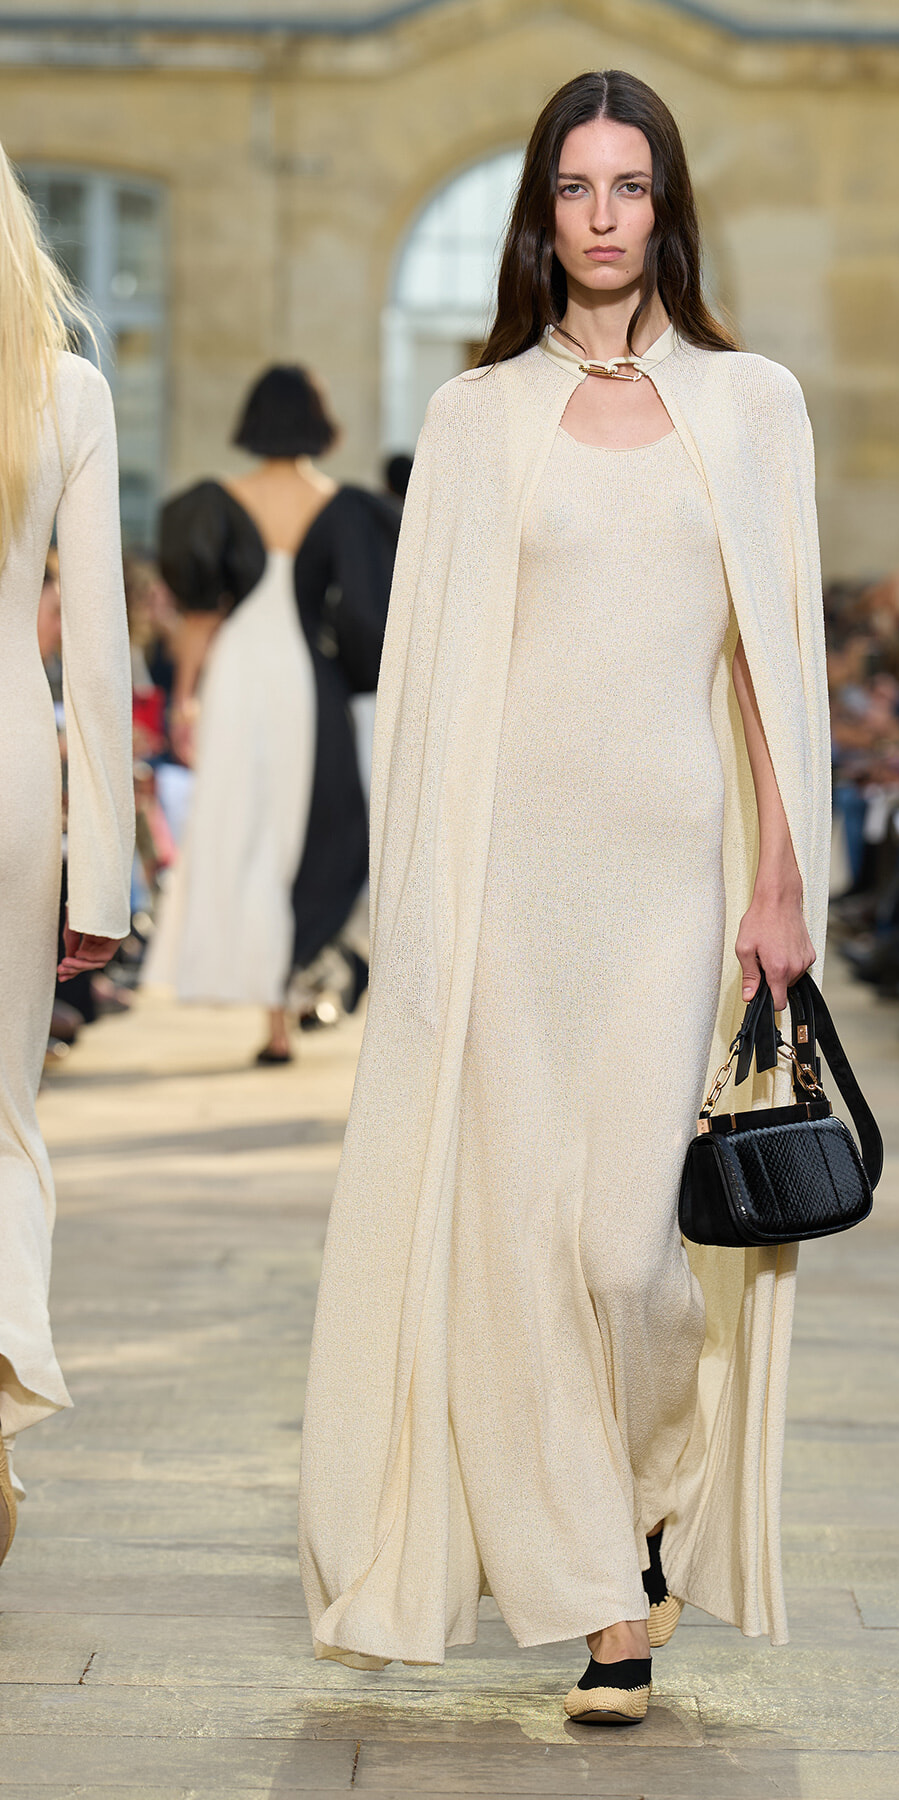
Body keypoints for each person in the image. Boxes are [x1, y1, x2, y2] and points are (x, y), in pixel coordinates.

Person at [299, 69, 830, 1724]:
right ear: (546, 214)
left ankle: (656, 1496)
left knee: (626, 1252)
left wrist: (780, 875)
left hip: (676, 864)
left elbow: (770, 664)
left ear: (668, 207)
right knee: (519, 1247)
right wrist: (419, 916)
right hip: (508, 877)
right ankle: (607, 1596)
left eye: (633, 185)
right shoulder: (473, 422)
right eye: (577, 188)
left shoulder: (753, 405)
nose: (604, 215)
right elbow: (435, 670)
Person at [0, 142, 133, 1565]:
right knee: (3, 1118)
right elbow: (94, 646)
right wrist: (105, 869)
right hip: (8, 763)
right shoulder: (63, 390)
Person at [145, 366, 399, 1063]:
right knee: (306, 829)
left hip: (238, 677)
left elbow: (200, 616)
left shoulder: (215, 502)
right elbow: (364, 616)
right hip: (306, 680)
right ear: (319, 421)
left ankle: (273, 1018)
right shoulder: (346, 506)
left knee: (245, 828)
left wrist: (185, 697)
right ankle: (295, 981)